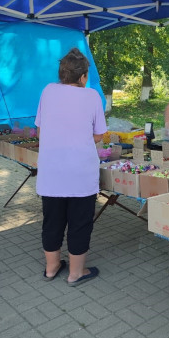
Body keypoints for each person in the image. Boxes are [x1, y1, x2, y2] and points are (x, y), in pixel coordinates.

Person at [35, 47, 107, 286]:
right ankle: (76, 273)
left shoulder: (47, 91)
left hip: (51, 172)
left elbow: (40, 130)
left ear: (62, 74)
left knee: (52, 221)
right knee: (79, 222)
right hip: (80, 173)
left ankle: (52, 267)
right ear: (83, 76)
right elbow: (99, 135)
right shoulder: (92, 96)